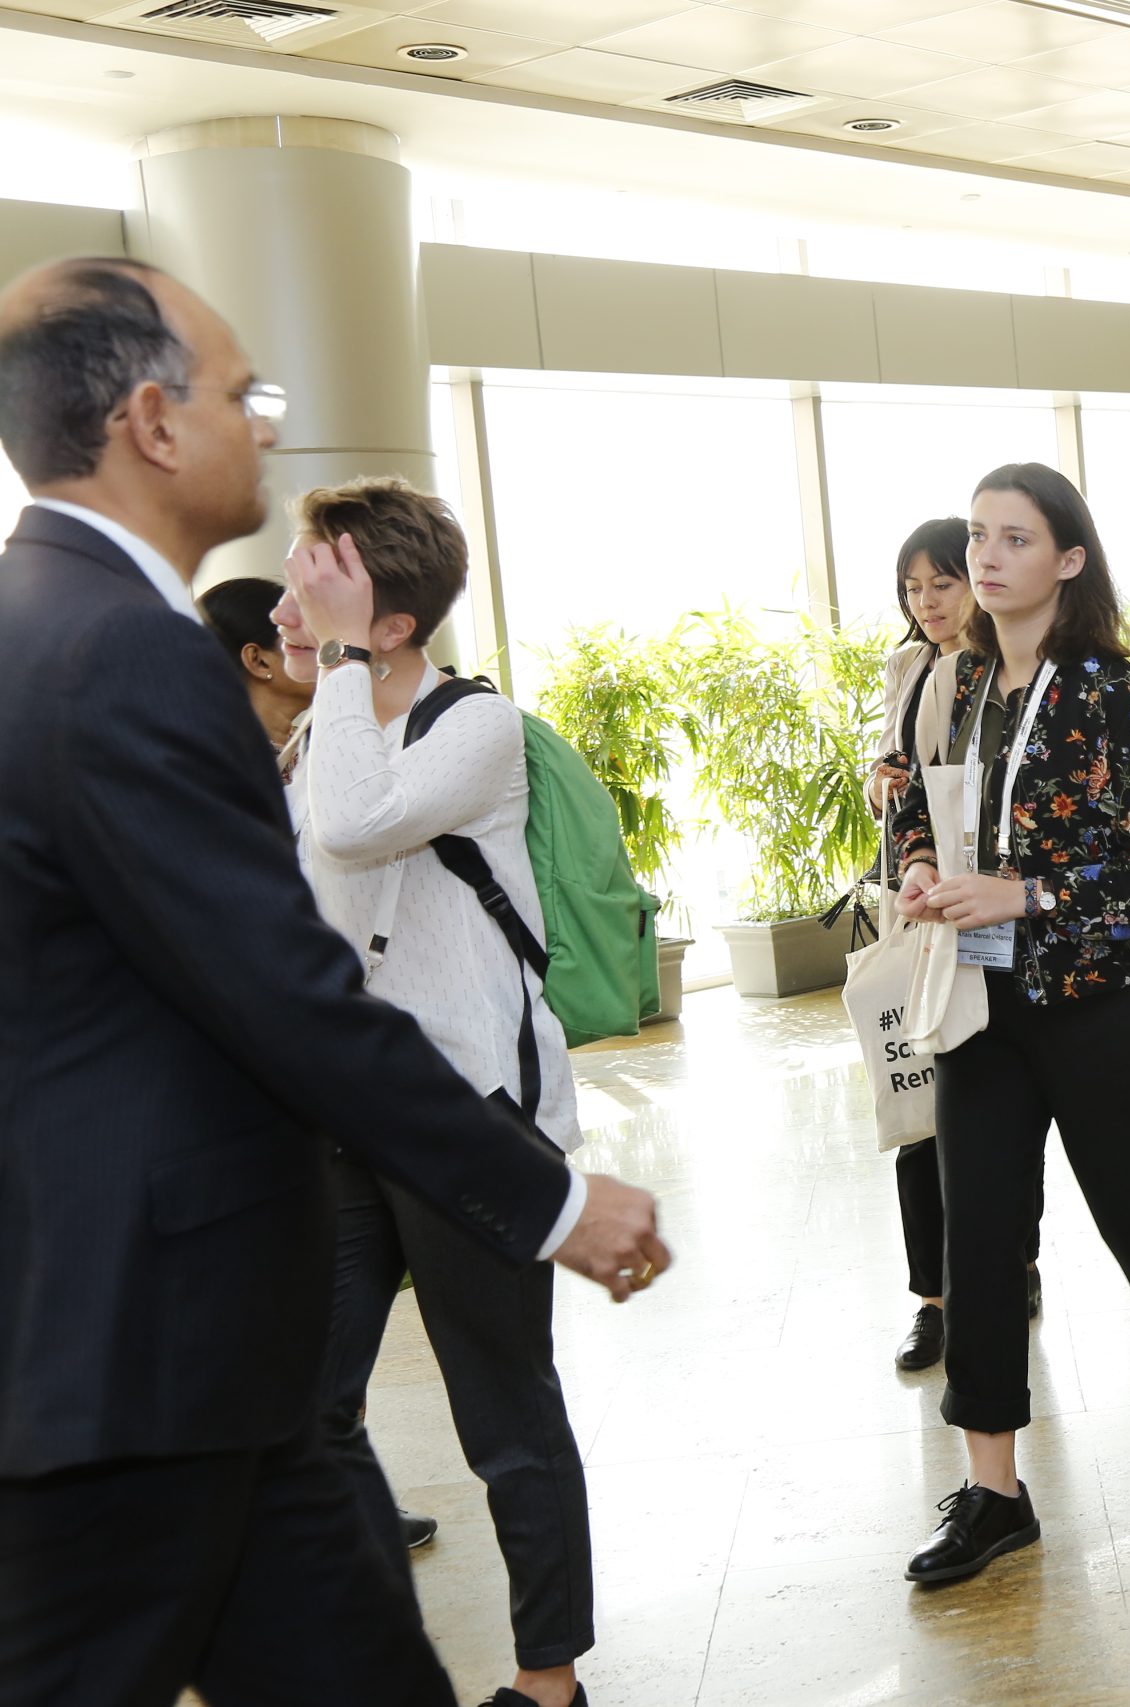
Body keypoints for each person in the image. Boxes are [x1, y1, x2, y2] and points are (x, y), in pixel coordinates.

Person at [0, 258, 667, 1707]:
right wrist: (553, 1199)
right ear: (152, 423)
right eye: (245, 395)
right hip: (146, 1339)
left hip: (201, 1324)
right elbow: (286, 982)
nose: (267, 424)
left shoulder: (53, 624)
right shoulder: (123, 650)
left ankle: (550, 1671)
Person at [890, 462, 1130, 1585]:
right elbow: (920, 800)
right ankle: (993, 1491)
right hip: (982, 999)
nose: (986, 556)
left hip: (1103, 1005)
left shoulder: (1119, 695)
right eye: (979, 534)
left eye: (1014, 537)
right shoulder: (961, 683)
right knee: (979, 1233)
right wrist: (920, 866)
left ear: (1069, 559)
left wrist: (1025, 894)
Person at [273, 479, 599, 1707]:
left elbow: (357, 830)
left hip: (470, 1115)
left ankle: (548, 1680)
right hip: (346, 1116)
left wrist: (336, 666)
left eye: (318, 581)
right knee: (307, 1404)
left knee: (504, 1415)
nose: (289, 603)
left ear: (393, 622)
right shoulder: (322, 730)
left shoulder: (476, 725)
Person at [866, 517, 1043, 1373]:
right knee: (917, 1099)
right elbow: (893, 774)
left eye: (942, 583)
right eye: (914, 588)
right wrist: (883, 786)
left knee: (997, 1089)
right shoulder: (908, 667)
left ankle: (1016, 1259)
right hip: (918, 904)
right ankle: (932, 1298)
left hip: (992, 907)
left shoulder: (1005, 668)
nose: (928, 601)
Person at [198, 574, 312, 754]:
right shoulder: (220, 759)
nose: (327, 649)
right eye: (307, 641)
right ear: (259, 661)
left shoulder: (315, 747)